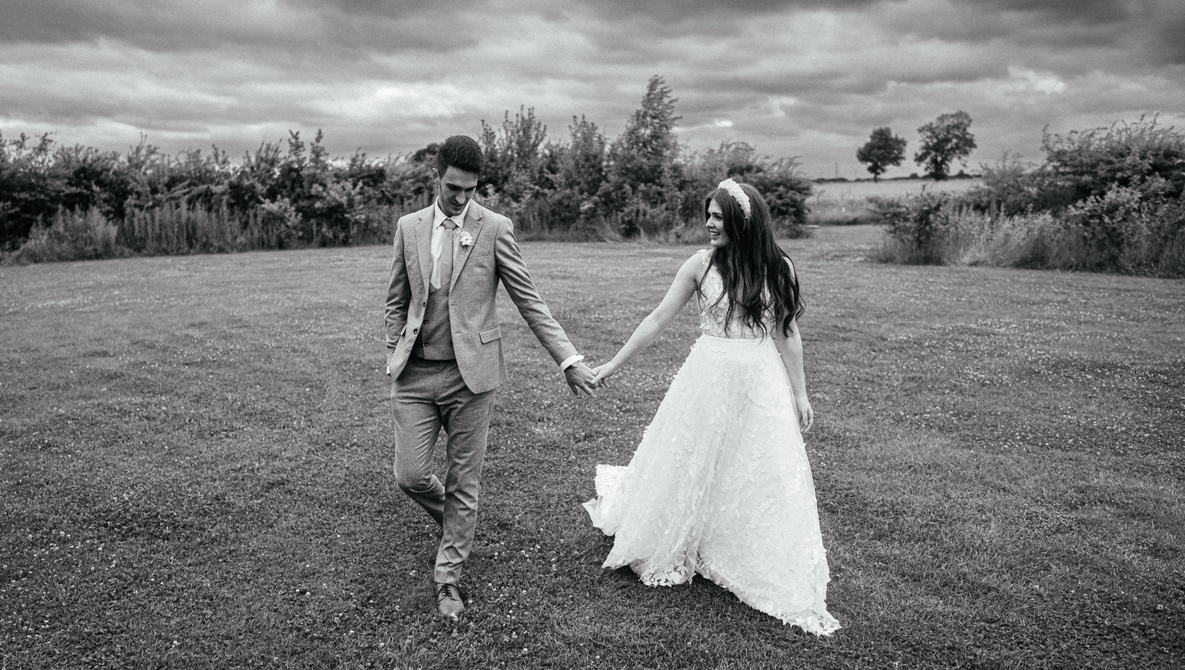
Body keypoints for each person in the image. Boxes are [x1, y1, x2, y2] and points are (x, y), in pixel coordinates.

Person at [583, 179, 840, 636]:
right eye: (708, 215)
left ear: (743, 221)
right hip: (708, 375)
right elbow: (657, 318)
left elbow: (787, 332)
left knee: (756, 462)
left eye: (718, 217)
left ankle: (740, 540)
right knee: (693, 454)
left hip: (760, 378)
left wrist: (800, 394)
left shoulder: (778, 267)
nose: (709, 223)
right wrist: (613, 364)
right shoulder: (700, 265)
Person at [385, 135, 598, 619]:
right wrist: (393, 348)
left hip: (472, 378)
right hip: (414, 375)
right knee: (410, 475)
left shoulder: (495, 228)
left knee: (465, 480)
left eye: (471, 189)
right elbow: (396, 299)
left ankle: (448, 579)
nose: (462, 198)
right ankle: (457, 525)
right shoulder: (408, 227)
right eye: (453, 188)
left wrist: (568, 359)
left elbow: (530, 301)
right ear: (436, 178)